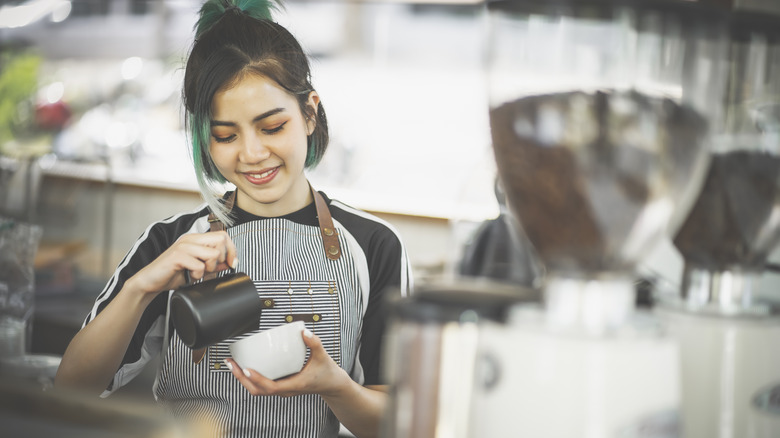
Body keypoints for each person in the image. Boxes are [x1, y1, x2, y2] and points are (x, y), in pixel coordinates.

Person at [54, 0, 413, 436]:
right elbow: (70, 390)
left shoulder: (373, 245)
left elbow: (397, 424)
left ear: (309, 113)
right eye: (225, 135)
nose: (251, 154)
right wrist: (141, 287)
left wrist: (335, 385)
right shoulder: (170, 242)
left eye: (272, 127)